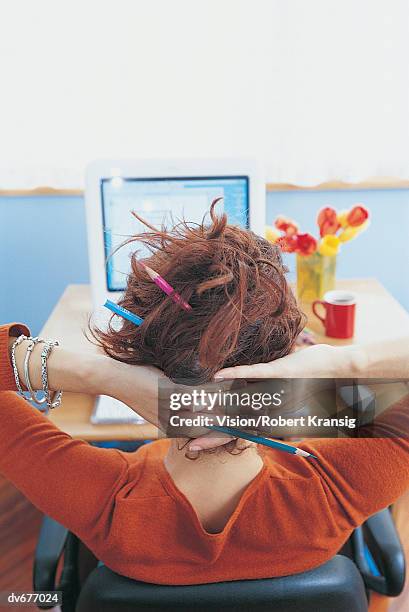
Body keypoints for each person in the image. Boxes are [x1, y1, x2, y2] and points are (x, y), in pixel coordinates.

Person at [1, 203, 408, 586]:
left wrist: (105, 376)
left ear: (137, 353)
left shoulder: (105, 502)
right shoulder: (332, 490)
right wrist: (335, 367)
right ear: (284, 359)